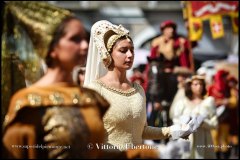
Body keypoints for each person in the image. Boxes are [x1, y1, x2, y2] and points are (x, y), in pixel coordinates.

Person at [2, 2, 110, 159]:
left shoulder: (90, 96)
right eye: (75, 39)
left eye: (85, 38)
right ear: (52, 48)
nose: (85, 45)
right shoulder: (29, 103)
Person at [83, 20, 199, 153]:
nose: (130, 55)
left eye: (132, 50)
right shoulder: (96, 89)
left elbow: (142, 131)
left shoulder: (138, 90)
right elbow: (88, 135)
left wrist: (173, 130)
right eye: (123, 50)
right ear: (108, 54)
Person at [171, 75, 218, 158]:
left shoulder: (208, 102)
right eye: (196, 84)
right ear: (190, 86)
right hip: (186, 141)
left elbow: (215, 124)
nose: (199, 87)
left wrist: (202, 122)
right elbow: (175, 120)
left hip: (203, 142)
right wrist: (185, 123)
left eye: (201, 84)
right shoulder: (182, 102)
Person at [208, 69, 232, 159]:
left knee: (224, 139)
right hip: (214, 118)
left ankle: (225, 155)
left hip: (225, 117)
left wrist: (228, 101)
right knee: (214, 138)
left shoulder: (228, 88)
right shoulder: (211, 88)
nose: (226, 79)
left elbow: (233, 101)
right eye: (224, 77)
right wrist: (217, 102)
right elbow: (206, 100)